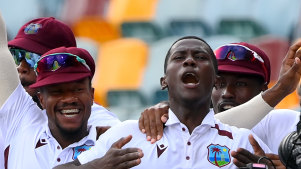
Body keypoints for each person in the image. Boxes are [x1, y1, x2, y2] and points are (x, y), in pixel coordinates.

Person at [54, 36, 272, 169]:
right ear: (164, 81)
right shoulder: (127, 135)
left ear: (215, 80)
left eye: (200, 57)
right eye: (179, 58)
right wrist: (98, 166)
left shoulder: (241, 141)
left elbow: (267, 166)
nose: (189, 61)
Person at [0, 12, 143, 168]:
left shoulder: (100, 121)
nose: (21, 67)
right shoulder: (19, 110)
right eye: (16, 55)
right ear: (41, 98)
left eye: (31, 58)